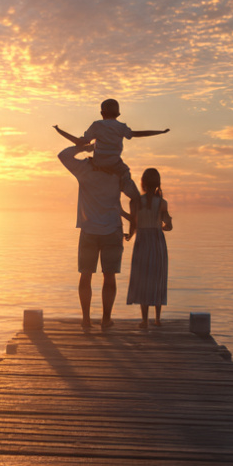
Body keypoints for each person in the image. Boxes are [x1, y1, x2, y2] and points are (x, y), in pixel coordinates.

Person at [58, 140, 141, 332]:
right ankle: (105, 319)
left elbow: (63, 155)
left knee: (86, 275)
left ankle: (86, 320)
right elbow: (135, 196)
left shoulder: (84, 168)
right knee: (109, 276)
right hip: (112, 229)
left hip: (89, 230)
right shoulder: (119, 170)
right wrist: (133, 225)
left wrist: (84, 147)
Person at [53, 98, 169, 182]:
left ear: (102, 113)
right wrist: (160, 132)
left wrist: (60, 131)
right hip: (116, 165)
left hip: (98, 164)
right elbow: (138, 134)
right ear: (118, 113)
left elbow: (79, 142)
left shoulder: (97, 125)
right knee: (130, 185)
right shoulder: (121, 127)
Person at [124, 167, 172, 327]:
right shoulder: (162, 203)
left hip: (142, 241)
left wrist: (129, 235)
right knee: (158, 278)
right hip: (157, 241)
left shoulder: (136, 202)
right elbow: (168, 225)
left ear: (143, 183)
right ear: (158, 183)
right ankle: (157, 319)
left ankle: (144, 320)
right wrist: (164, 225)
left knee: (142, 278)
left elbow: (133, 224)